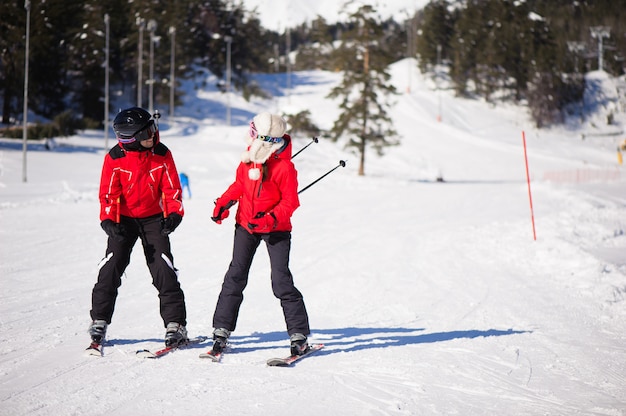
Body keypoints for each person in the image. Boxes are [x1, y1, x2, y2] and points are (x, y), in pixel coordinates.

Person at [210, 112, 311, 355]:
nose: (250, 135)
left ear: (262, 136)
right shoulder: (249, 159)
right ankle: (221, 331)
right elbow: (240, 185)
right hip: (246, 225)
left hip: (275, 229)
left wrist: (269, 219)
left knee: (281, 280)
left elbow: (290, 203)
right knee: (235, 275)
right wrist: (224, 202)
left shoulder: (285, 167)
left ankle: (299, 335)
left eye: (253, 132)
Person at [88, 107, 188, 347]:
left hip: (154, 219)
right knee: (111, 266)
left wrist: (174, 214)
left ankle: (176, 324)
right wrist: (109, 220)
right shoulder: (115, 158)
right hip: (124, 220)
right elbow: (108, 194)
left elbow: (172, 188)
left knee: (163, 268)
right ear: (130, 139)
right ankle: (99, 320)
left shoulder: (161, 154)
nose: (153, 136)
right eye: (147, 133)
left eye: (153, 129)